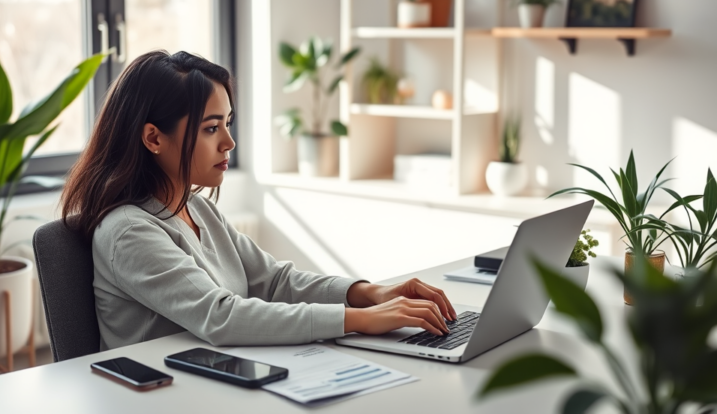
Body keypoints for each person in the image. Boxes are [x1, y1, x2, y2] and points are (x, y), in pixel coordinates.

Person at [61, 50, 456, 350]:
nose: (229, 142)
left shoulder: (197, 208)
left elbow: (274, 281)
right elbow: (221, 316)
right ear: (153, 138)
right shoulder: (127, 230)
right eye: (211, 128)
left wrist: (371, 293)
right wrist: (360, 319)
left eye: (227, 124)